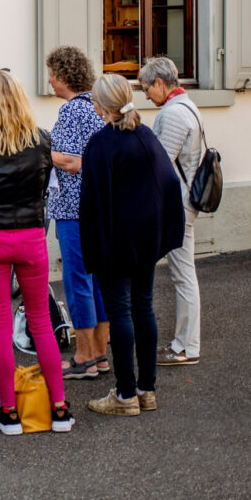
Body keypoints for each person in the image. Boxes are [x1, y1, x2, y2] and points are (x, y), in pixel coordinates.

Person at [0, 69, 74, 435]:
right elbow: (45, 180)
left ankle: (9, 413)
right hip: (30, 236)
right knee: (41, 319)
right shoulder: (41, 140)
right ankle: (59, 409)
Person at [79, 74, 184, 417]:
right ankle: (146, 389)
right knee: (143, 307)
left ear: (102, 105)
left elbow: (93, 202)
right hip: (146, 239)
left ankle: (125, 395)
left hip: (115, 240)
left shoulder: (102, 144)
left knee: (121, 311)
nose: (92, 104)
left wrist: (93, 248)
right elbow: (168, 182)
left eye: (95, 100)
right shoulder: (145, 135)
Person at [45, 46, 111, 380]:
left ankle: (84, 356)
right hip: (97, 207)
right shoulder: (95, 108)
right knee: (98, 280)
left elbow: (71, 161)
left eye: (53, 75)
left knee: (78, 280)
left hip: (73, 208)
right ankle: (100, 353)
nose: (50, 81)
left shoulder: (72, 112)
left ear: (65, 76)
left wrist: (42, 149)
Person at [140, 56, 204, 367]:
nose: (145, 94)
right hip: (183, 202)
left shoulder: (174, 113)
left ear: (161, 84)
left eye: (146, 88)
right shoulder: (188, 106)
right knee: (183, 274)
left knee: (182, 276)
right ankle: (186, 344)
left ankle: (186, 346)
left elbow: (159, 163)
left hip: (175, 205)